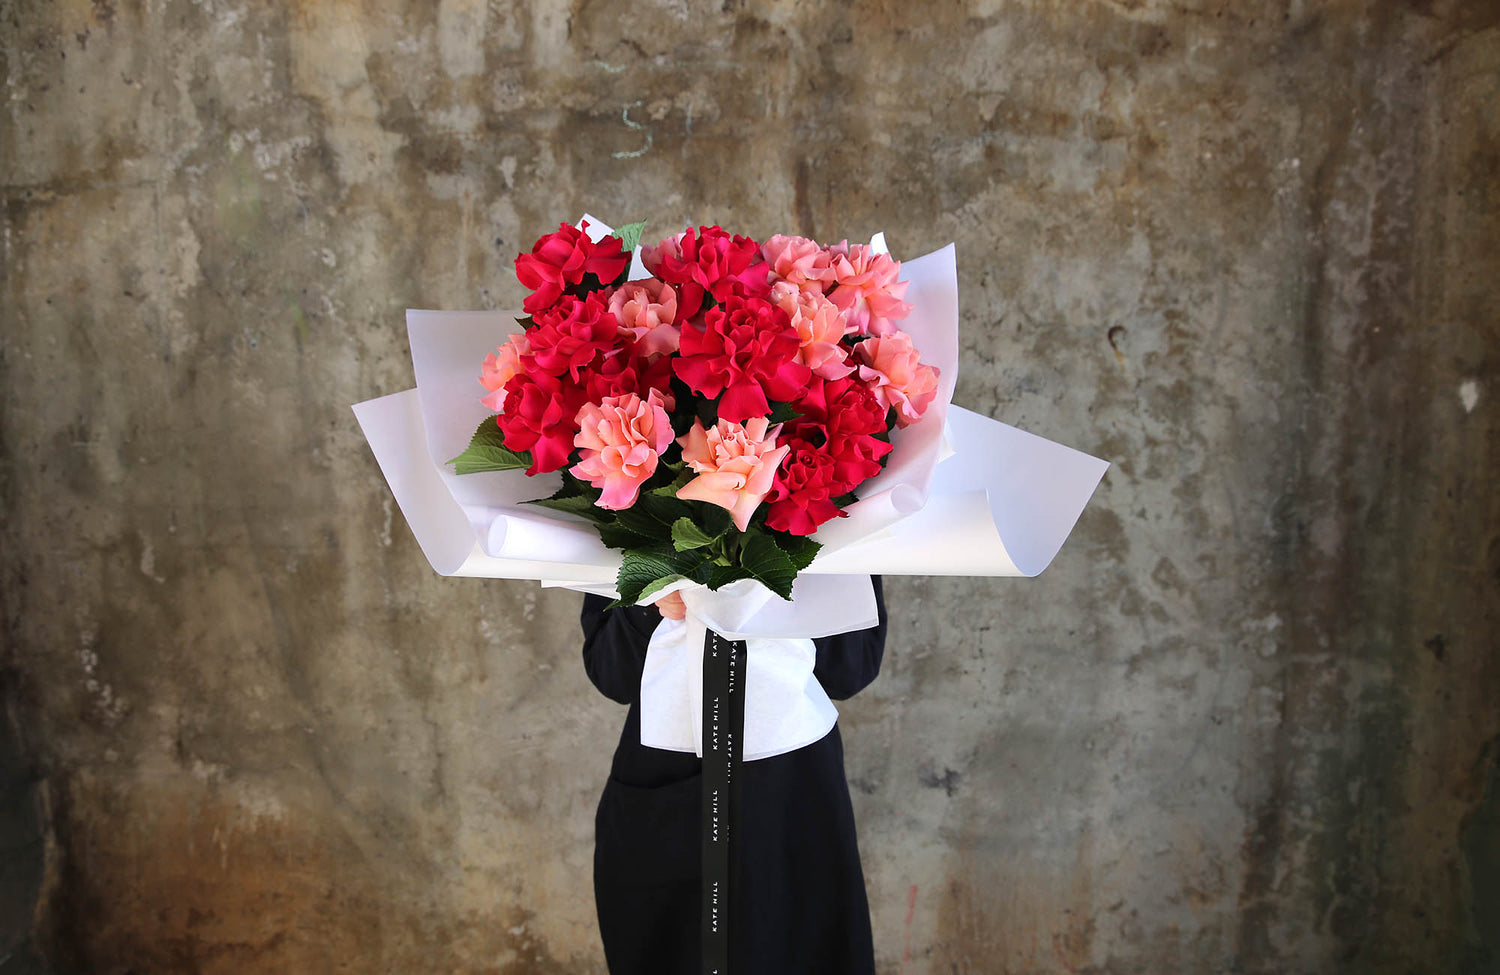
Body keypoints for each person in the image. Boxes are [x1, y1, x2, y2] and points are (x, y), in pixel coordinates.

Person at [579, 576, 889, 975]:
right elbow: (611, 675)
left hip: (796, 790)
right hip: (669, 781)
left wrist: (786, 591)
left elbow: (852, 670)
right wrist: (652, 601)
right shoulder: (627, 536)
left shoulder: (837, 535)